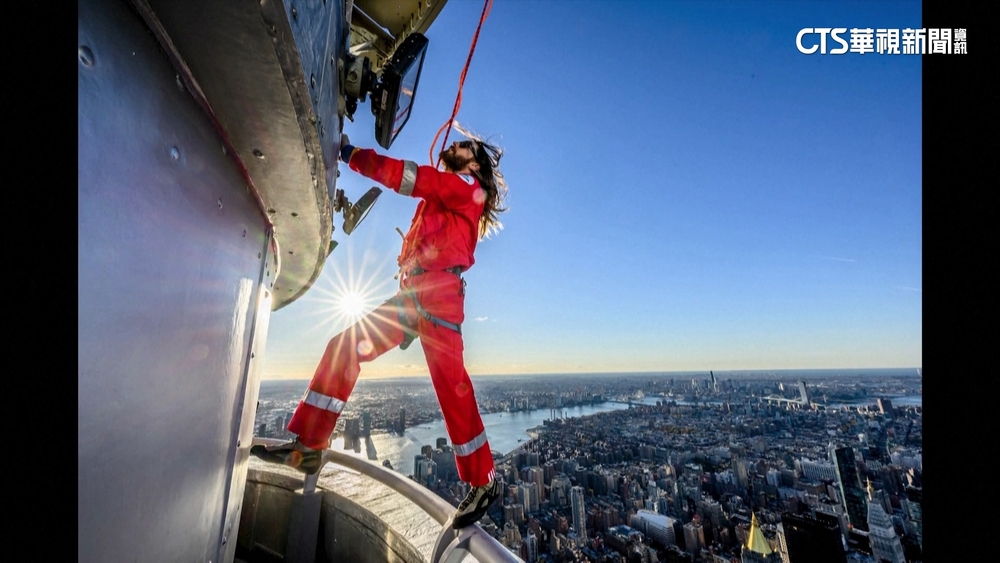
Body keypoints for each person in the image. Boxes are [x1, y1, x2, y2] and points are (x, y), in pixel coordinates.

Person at [252, 132, 508, 529]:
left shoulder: (464, 186)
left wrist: (354, 156)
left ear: (473, 165)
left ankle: (483, 481)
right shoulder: (447, 197)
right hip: (416, 295)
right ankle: (311, 445)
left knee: (452, 385)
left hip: (437, 296)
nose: (455, 147)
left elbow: (410, 177)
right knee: (346, 345)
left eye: (464, 147)